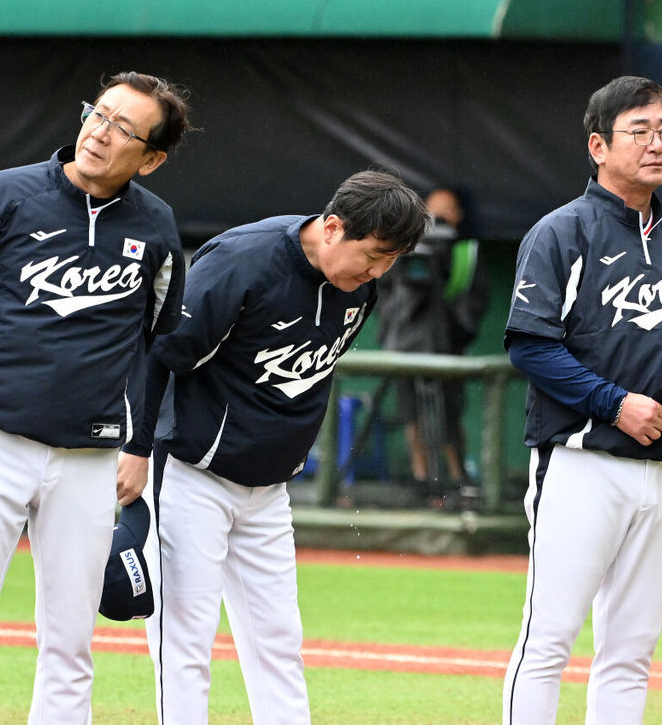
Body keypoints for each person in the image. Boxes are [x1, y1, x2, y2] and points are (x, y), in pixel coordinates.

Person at [0, 70, 192, 724]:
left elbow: (159, 346)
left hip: (90, 458)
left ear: (151, 158)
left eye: (125, 129)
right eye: (99, 113)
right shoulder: (4, 194)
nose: (101, 132)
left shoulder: (157, 227)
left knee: (71, 642)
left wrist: (140, 447)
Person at [117, 170, 429, 725]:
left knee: (279, 641)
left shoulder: (360, 286)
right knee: (185, 639)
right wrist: (138, 447)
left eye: (392, 260)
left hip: (267, 488)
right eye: (375, 255)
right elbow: (160, 351)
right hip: (192, 473)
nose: (379, 271)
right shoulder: (244, 261)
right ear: (332, 228)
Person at [501, 76, 662, 724]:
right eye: (640, 131)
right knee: (548, 641)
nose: (657, 143)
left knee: (631, 651)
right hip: (581, 460)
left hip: (661, 469)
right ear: (599, 146)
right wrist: (613, 403)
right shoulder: (562, 233)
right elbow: (530, 346)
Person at [377, 185, 488, 504]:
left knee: (448, 415)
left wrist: (449, 329)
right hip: (405, 348)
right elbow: (385, 292)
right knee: (412, 416)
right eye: (432, 210)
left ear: (460, 216)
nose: (438, 218)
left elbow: (474, 304)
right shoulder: (404, 250)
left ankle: (458, 480)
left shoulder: (466, 253)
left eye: (447, 210)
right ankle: (422, 479)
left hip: (446, 350)